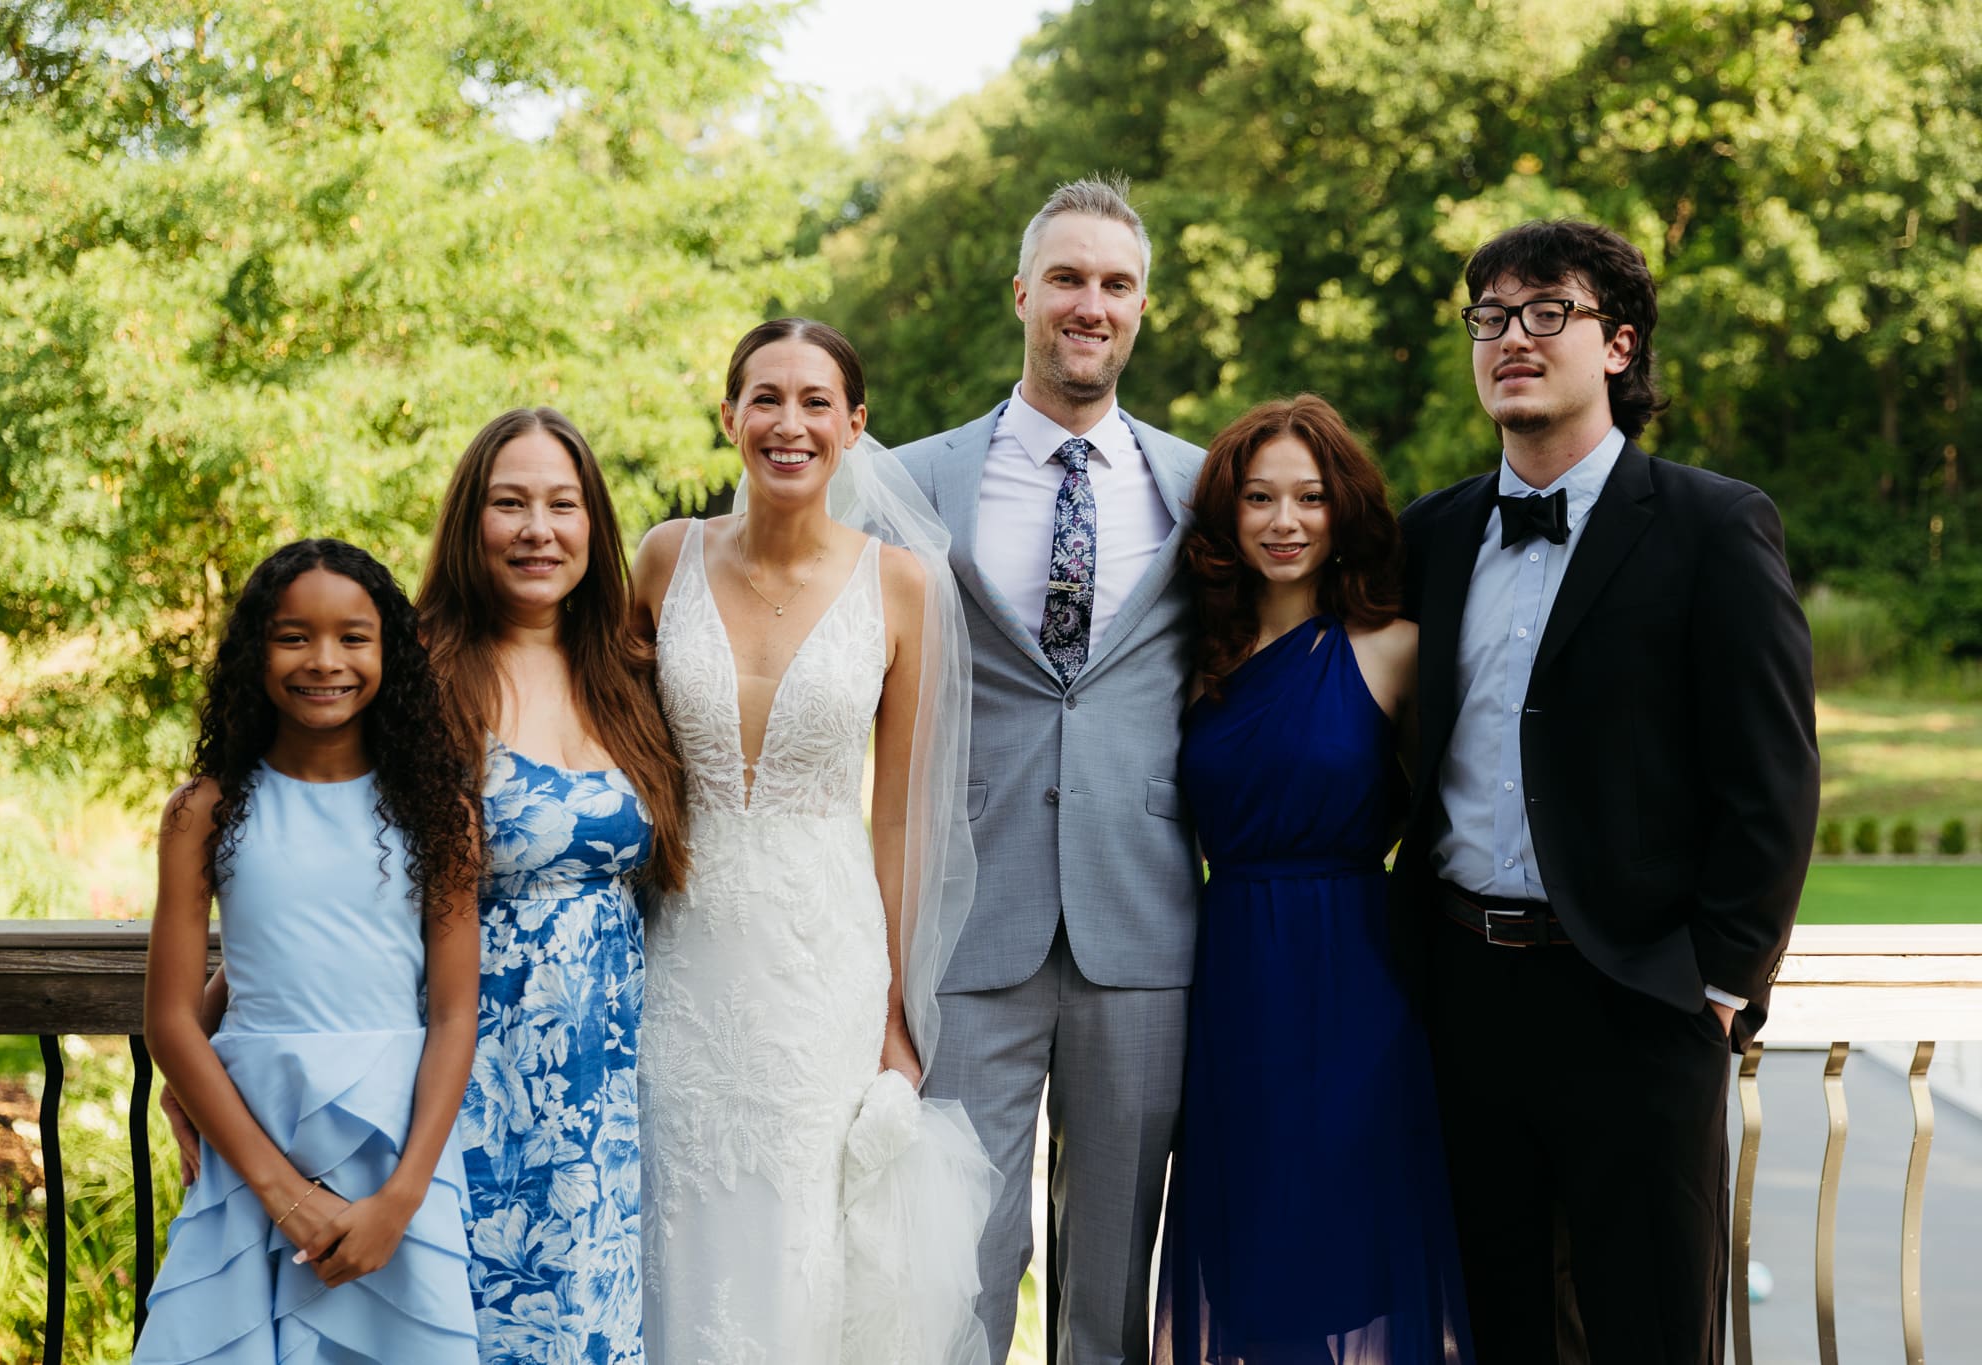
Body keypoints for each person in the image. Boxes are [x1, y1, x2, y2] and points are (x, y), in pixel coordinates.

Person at [1392, 219, 1819, 1364]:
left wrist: (1717, 984)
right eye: (1489, 315)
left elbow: (1770, 782)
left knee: (1647, 1330)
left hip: (1636, 1006)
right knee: (1492, 1326)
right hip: (1461, 1001)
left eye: (1547, 312)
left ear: (1618, 345)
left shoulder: (1713, 525)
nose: (1511, 337)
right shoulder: (1428, 537)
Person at [630, 318, 994, 1363]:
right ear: (730, 416)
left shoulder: (903, 587)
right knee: (679, 1207)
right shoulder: (664, 559)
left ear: (854, 425)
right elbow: (611, 744)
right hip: (679, 950)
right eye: (766, 398)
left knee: (803, 1227)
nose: (788, 423)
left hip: (822, 961)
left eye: (815, 402)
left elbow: (901, 811)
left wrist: (893, 1001)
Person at [894, 175, 1205, 1363]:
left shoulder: (1198, 486)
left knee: (1113, 1280)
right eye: (1067, 278)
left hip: (1143, 928)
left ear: (1141, 309)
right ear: (1023, 292)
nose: (1090, 303)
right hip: (969, 921)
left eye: (1114, 284)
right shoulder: (913, 481)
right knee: (957, 1267)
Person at [1152, 396, 1470, 1365]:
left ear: (1342, 512)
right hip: (1231, 978)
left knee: (1344, 1232)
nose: (1283, 521)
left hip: (1355, 984)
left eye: (1307, 497)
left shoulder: (1396, 650)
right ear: (1227, 514)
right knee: (1251, 1243)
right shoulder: (1187, 662)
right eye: (1257, 498)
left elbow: (1453, 822)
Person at [139, 538, 482, 1363]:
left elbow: (453, 1010)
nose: (324, 660)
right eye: (293, 636)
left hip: (398, 1150)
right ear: (254, 651)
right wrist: (285, 1196)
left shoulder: (442, 816)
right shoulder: (203, 813)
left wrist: (402, 1199)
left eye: (353, 637)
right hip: (251, 1151)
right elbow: (173, 1019)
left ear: (390, 652)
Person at [417, 407, 690, 1364]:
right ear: (470, 524)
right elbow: (329, 868)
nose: (539, 529)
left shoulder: (629, 670)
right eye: (510, 504)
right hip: (472, 1079)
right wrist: (215, 1018)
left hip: (606, 1091)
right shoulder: (422, 676)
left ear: (593, 525)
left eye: (562, 504)